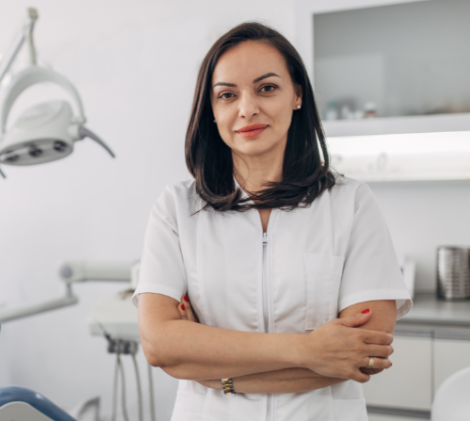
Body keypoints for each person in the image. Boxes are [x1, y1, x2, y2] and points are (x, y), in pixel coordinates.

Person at [132, 22, 412, 421]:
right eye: (227, 95)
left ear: (297, 94)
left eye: (266, 88)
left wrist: (214, 370)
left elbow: (363, 353)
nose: (247, 108)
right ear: (212, 110)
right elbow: (160, 345)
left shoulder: (350, 203)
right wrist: (310, 351)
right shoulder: (177, 208)